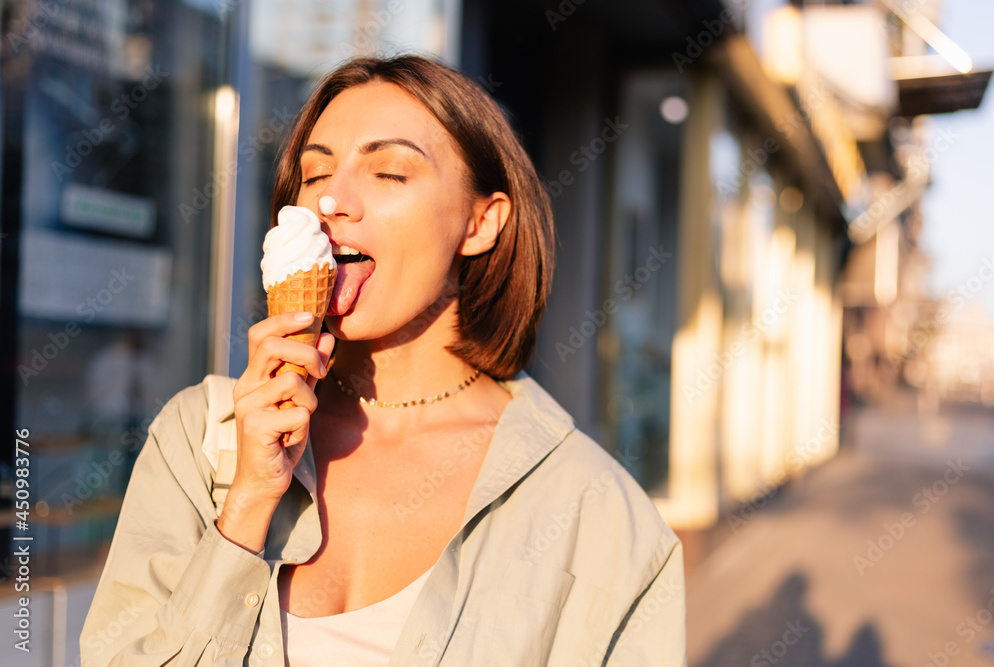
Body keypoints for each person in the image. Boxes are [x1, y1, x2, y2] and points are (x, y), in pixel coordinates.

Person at [81, 54, 685, 666]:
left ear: (480, 223)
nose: (332, 201)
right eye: (314, 175)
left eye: (390, 172)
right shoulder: (201, 437)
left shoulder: (598, 516)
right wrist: (247, 505)